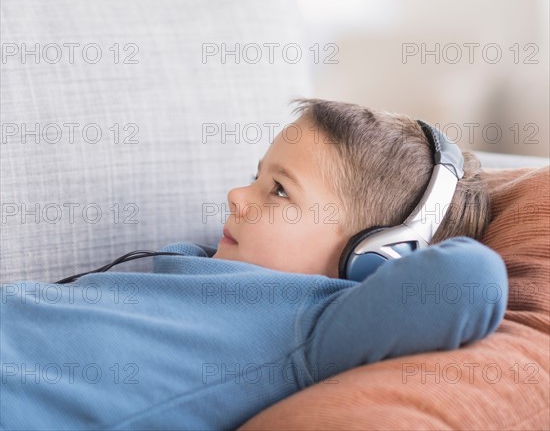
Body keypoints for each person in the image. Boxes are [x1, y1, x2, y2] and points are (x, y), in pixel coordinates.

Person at [0, 98, 508, 430]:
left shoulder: (317, 326)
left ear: (376, 259)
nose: (238, 195)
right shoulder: (203, 259)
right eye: (257, 176)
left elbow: (471, 279)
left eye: (280, 191)